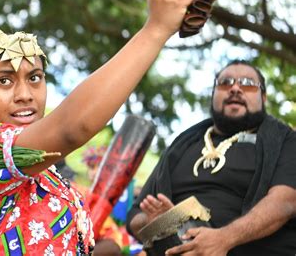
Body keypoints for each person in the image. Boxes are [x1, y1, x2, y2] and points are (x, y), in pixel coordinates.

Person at [0, 0, 192, 254]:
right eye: (4, 81)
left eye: (35, 78)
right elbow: (72, 128)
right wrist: (156, 29)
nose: (25, 95)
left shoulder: (47, 175)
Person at [127, 60, 296, 255]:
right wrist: (161, 223)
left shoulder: (286, 141)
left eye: (247, 84)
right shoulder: (181, 146)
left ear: (263, 97)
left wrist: (223, 239)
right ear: (213, 94)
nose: (235, 88)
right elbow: (135, 215)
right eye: (225, 83)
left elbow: (285, 202)